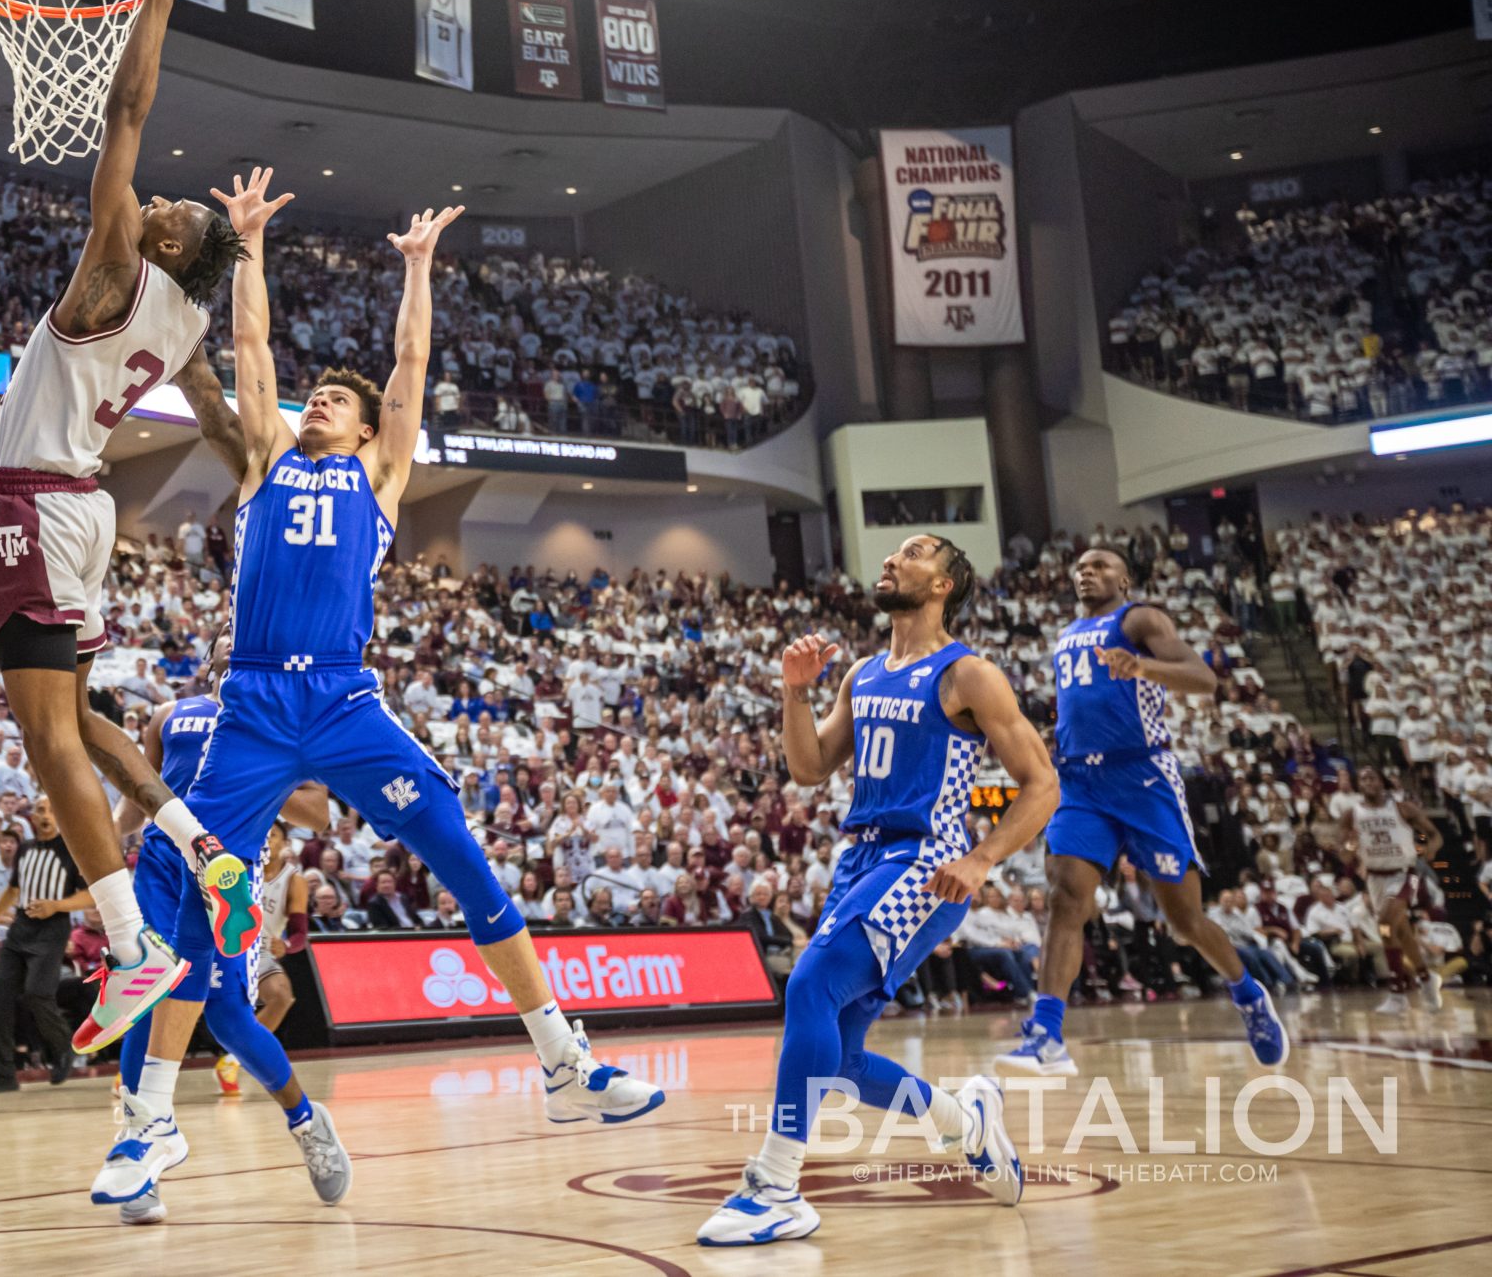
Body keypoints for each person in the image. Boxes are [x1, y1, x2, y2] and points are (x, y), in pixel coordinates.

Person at [170, 169, 661, 1152]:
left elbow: (409, 360)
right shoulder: (268, 461)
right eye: (310, 399)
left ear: (366, 430)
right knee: (196, 894)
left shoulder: (383, 478)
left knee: (465, 861)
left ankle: (563, 1062)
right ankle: (145, 1116)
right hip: (257, 701)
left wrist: (421, 265)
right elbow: (254, 349)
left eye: (333, 403)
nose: (314, 404)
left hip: (347, 702)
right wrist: (250, 242)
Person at [0, 0, 262, 1055]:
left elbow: (125, 110)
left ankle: (132, 942)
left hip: (42, 502)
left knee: (47, 739)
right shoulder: (189, 319)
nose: (155, 201)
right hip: (85, 507)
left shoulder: (111, 268)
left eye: (172, 212)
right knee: (85, 717)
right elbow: (229, 430)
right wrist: (283, 484)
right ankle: (196, 841)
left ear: (165, 246)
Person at [696, 536, 1056, 1246]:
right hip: (860, 860)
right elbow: (807, 766)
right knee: (843, 1060)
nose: (891, 559)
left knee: (809, 987)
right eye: (891, 553)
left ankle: (775, 1184)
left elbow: (1042, 785)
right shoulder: (862, 672)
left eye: (913, 552)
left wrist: (984, 858)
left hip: (926, 860)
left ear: (945, 584)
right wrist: (793, 689)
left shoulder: (969, 674)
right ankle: (966, 1119)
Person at [996, 544, 1290, 1075]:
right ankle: (1047, 1033)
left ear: (1124, 579)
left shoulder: (1140, 618)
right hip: (1081, 779)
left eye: (1100, 566)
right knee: (1066, 897)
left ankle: (1247, 993)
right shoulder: (1065, 635)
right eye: (1081, 567)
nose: (1087, 572)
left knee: (1184, 921)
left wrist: (1143, 666)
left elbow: (1203, 679)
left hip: (1144, 778)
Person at [93, 674, 346, 1224]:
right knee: (145, 990)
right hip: (161, 860)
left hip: (230, 864)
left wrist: (261, 778)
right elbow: (141, 791)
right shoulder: (169, 714)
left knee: (229, 1015)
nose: (234, 640)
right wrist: (109, 847)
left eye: (243, 635)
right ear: (209, 661)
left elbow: (317, 813)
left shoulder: (282, 723)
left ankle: (305, 1122)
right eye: (223, 636)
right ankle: (142, 1159)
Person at [0, 799, 82, 1092]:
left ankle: (65, 1047)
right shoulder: (24, 848)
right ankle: (5, 1074)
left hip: (53, 928)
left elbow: (90, 895)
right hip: (21, 927)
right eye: (41, 810)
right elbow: (13, 890)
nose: (46, 815)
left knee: (38, 994)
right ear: (34, 817)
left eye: (52, 809)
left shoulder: (71, 849)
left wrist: (57, 905)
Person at [1343, 764, 1446, 1013]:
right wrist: (1350, 846)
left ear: (1382, 782)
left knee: (1387, 924)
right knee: (1398, 932)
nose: (1367, 781)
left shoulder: (1402, 807)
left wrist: (1430, 850)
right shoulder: (1351, 814)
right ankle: (1426, 977)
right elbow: (1345, 855)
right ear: (1358, 785)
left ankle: (1397, 993)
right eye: (1363, 778)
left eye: (1372, 777)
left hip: (1405, 874)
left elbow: (1434, 835)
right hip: (1375, 878)